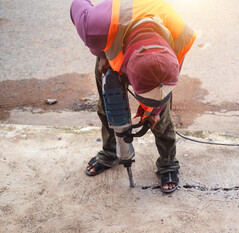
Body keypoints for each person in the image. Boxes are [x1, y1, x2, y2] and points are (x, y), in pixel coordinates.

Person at [70, 0, 196, 193]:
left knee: (160, 119)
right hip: (112, 33)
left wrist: (156, 110)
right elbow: (77, 3)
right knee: (109, 106)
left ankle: (168, 163)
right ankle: (110, 152)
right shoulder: (93, 27)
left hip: (152, 37)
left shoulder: (180, 37)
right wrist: (101, 51)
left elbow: (162, 89)